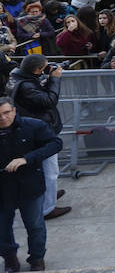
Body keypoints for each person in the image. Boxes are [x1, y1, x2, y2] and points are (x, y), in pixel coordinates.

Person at [0, 97, 63, 272]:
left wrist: (27, 159)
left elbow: (55, 143)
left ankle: (37, 258)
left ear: (14, 111)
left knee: (35, 225)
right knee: (2, 229)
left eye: (6, 113)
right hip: (3, 190)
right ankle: (10, 258)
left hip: (29, 186)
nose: (4, 118)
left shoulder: (33, 126)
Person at [5, 55, 70, 221]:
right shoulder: (26, 86)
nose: (48, 69)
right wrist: (55, 80)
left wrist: (47, 78)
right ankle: (48, 208)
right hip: (40, 132)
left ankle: (49, 194)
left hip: (33, 128)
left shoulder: (17, 76)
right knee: (50, 170)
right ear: (36, 70)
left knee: (42, 168)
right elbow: (49, 101)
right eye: (44, 67)